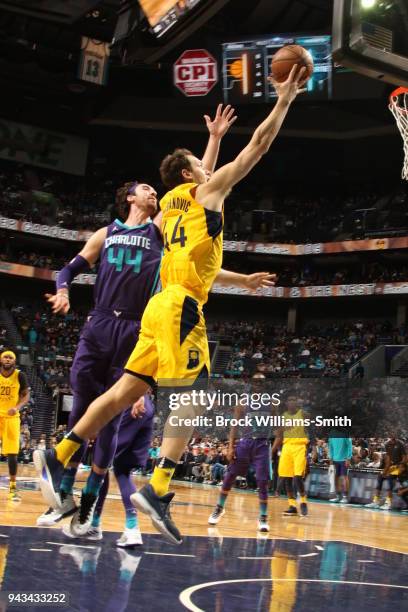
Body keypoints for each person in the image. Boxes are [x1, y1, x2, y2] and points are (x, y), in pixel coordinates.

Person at [34, 66, 306, 544]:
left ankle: (60, 453)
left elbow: (198, 175)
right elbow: (257, 148)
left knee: (123, 392)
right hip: (180, 308)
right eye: (201, 167)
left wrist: (212, 141)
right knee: (194, 398)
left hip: (155, 308)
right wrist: (283, 99)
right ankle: (158, 487)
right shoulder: (202, 192)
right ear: (190, 175)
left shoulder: (173, 203)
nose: (208, 169)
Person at [208, 373, 271, 532]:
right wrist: (230, 447)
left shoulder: (272, 403)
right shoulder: (243, 403)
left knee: (263, 481)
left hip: (262, 444)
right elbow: (234, 427)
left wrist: (274, 446)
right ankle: (219, 508)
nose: (258, 384)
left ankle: (263, 517)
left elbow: (277, 427)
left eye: (261, 382)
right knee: (230, 476)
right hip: (245, 443)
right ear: (251, 383)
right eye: (256, 382)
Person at [272, 394, 309, 517]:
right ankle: (292, 505)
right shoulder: (283, 417)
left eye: (294, 400)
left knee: (297, 477)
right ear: (287, 403)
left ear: (297, 403)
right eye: (290, 400)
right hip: (287, 447)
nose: (292, 402)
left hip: (299, 447)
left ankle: (303, 501)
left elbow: (316, 423)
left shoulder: (303, 414)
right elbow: (278, 433)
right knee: (286, 478)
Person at [0, 350, 30, 500]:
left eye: (10, 357)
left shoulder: (20, 375)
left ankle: (12, 488)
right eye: (5, 357)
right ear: (1, 359)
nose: (7, 359)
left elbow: (26, 395)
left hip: (11, 417)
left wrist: (17, 407)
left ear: (14, 361)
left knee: (12, 454)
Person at [365, 434, 407, 510]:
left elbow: (405, 458)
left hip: (401, 467)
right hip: (391, 467)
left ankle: (388, 503)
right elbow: (388, 459)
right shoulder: (387, 444)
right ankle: (376, 501)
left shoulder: (400, 444)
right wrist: (385, 470)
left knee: (390, 477)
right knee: (380, 476)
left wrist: (400, 466)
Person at [328, 431, 352, 503]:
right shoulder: (331, 434)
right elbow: (331, 447)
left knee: (344, 477)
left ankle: (345, 497)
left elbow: (349, 446)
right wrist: (331, 458)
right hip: (335, 460)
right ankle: (338, 496)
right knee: (336, 477)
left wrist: (348, 458)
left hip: (344, 459)